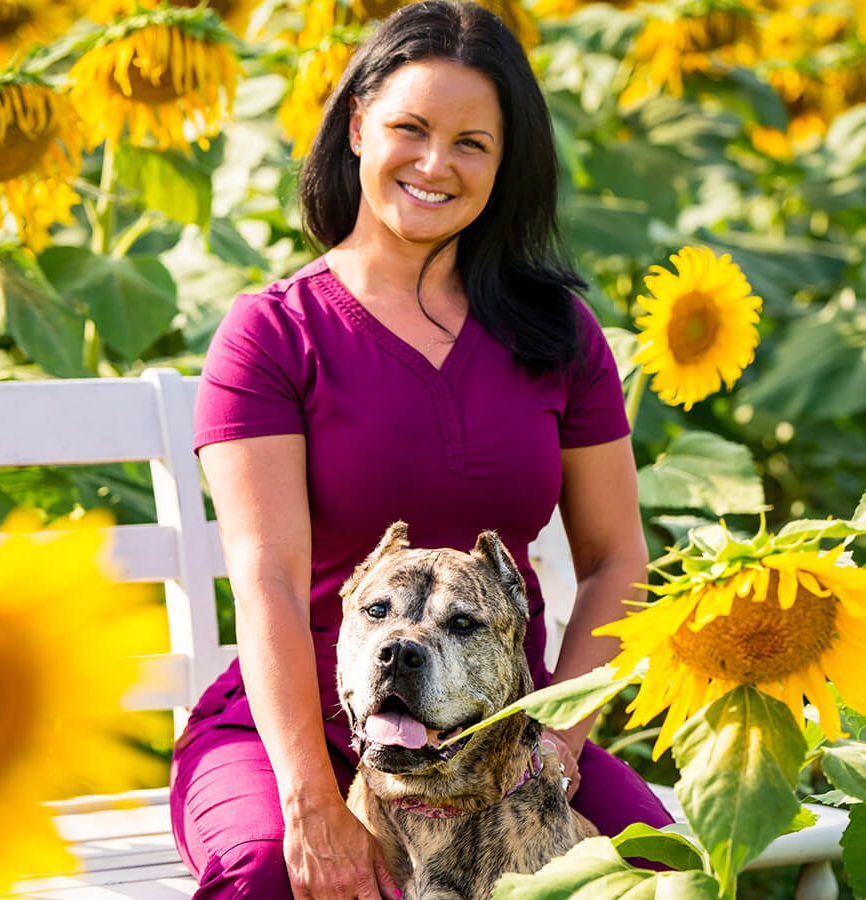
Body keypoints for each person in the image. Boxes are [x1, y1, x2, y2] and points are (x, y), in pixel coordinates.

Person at [169, 2, 673, 896]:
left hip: (504, 734)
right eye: (410, 128)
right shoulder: (273, 336)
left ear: (506, 162)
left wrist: (554, 746)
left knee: (659, 866)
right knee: (262, 874)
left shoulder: (558, 334)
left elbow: (616, 559)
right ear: (358, 125)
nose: (436, 164)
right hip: (297, 732)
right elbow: (271, 582)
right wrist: (315, 806)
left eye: (473, 142)